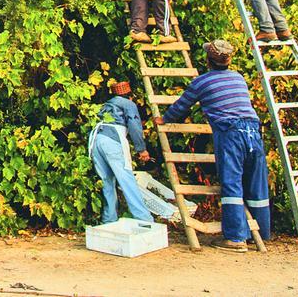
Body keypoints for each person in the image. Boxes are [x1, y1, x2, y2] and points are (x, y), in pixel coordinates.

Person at [157, 39, 271, 252]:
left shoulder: (202, 82)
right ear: (229, 60)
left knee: (232, 184)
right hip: (253, 131)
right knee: (256, 182)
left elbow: (182, 107)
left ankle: (236, 238)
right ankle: (261, 232)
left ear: (208, 60)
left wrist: (165, 119)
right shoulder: (238, 78)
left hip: (231, 134)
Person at [88, 81, 153, 225]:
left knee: (106, 181)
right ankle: (144, 219)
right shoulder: (128, 104)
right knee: (127, 180)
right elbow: (135, 127)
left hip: (96, 141)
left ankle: (109, 219)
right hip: (112, 141)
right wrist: (141, 150)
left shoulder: (106, 105)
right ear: (130, 96)